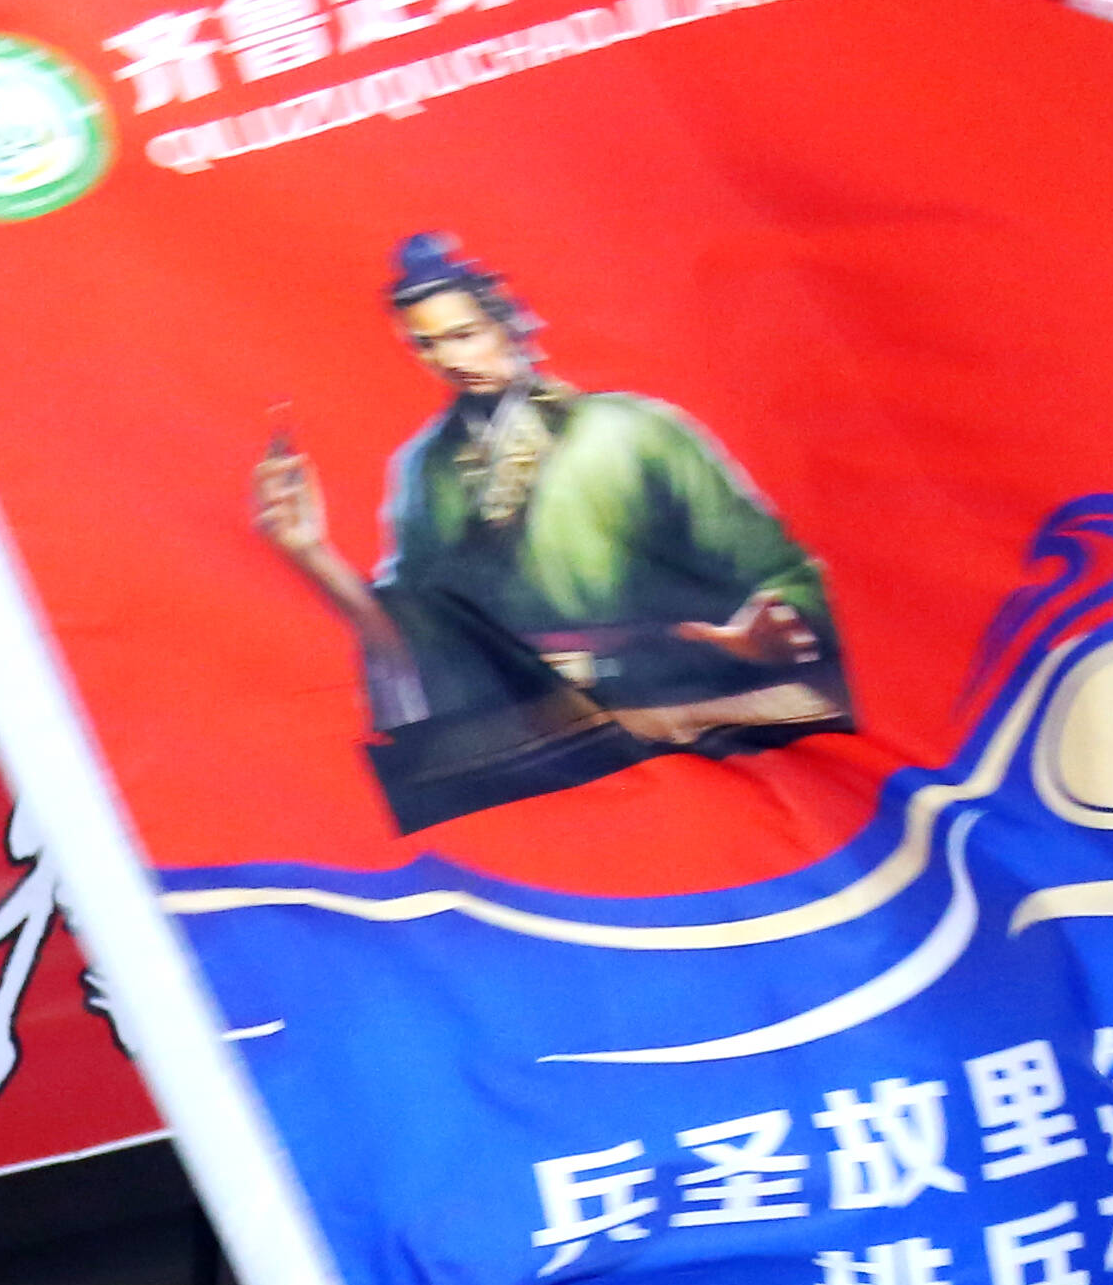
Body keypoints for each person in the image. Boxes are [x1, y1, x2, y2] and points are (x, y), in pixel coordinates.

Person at [248, 230, 847, 835]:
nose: (449, 359)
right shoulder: (427, 467)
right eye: (427, 345)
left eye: (464, 334)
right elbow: (417, 636)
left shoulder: (633, 429)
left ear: (508, 324)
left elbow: (784, 573)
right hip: (526, 721)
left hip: (682, 691)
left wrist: (771, 628)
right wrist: (310, 552)